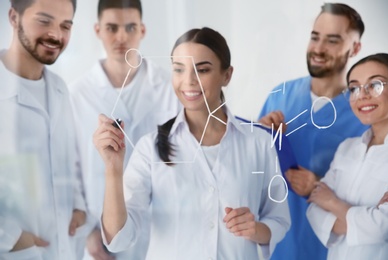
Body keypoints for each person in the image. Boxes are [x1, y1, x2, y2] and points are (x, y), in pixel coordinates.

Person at [93, 27, 290, 260]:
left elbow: (279, 219)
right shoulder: (149, 148)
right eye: (179, 69)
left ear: (227, 75)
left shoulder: (259, 143)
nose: (188, 81)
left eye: (202, 69)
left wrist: (255, 229)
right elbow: (118, 239)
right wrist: (113, 169)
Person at [68, 0, 181, 259]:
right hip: (101, 235)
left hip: (162, 229)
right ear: (97, 30)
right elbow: (68, 168)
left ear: (142, 30)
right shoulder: (78, 95)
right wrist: (88, 233)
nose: (121, 36)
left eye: (130, 27)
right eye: (112, 28)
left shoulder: (168, 87)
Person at [258, 3, 369, 260]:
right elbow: (251, 173)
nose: (318, 49)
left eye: (332, 40)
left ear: (355, 48)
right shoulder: (280, 95)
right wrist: (259, 139)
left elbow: (375, 200)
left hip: (332, 248)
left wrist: (318, 186)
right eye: (315, 37)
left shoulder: (364, 112)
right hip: (277, 246)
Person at [0, 0, 87, 259]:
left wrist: (79, 207)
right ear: (14, 18)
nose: (56, 35)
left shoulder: (60, 89)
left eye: (65, 25)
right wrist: (12, 237)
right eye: (44, 20)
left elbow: (69, 160)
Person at [306, 53, 388, 259]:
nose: (362, 95)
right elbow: (314, 208)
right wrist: (366, 221)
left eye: (375, 85)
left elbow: (383, 228)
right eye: (354, 88)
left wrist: (333, 203)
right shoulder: (347, 148)